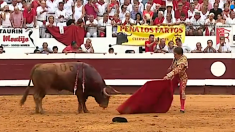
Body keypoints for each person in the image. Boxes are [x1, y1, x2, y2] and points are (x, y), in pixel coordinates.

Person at [163, 47, 188, 113]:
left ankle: (182, 108)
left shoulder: (183, 60)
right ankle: (165, 106)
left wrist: (169, 75)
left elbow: (178, 69)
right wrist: (170, 68)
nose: (174, 55)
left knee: (181, 91)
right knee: (170, 91)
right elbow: (173, 65)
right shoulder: (176, 58)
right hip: (175, 77)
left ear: (180, 54)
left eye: (175, 54)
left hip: (182, 77)